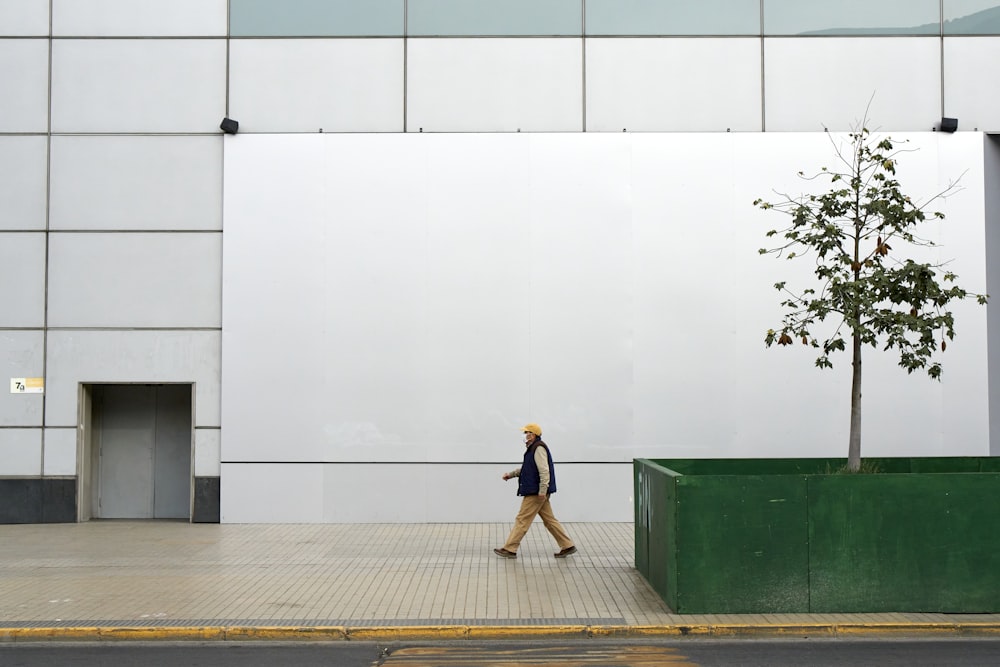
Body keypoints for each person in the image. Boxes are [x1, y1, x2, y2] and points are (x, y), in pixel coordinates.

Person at [494, 423, 577, 559]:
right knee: (549, 520)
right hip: (538, 491)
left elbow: (544, 471)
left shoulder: (538, 448)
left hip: (536, 492)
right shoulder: (533, 448)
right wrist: (510, 474)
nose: (524, 435)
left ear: (533, 435)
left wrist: (542, 491)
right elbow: (527, 469)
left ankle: (510, 548)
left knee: (522, 519)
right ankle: (567, 545)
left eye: (526, 432)